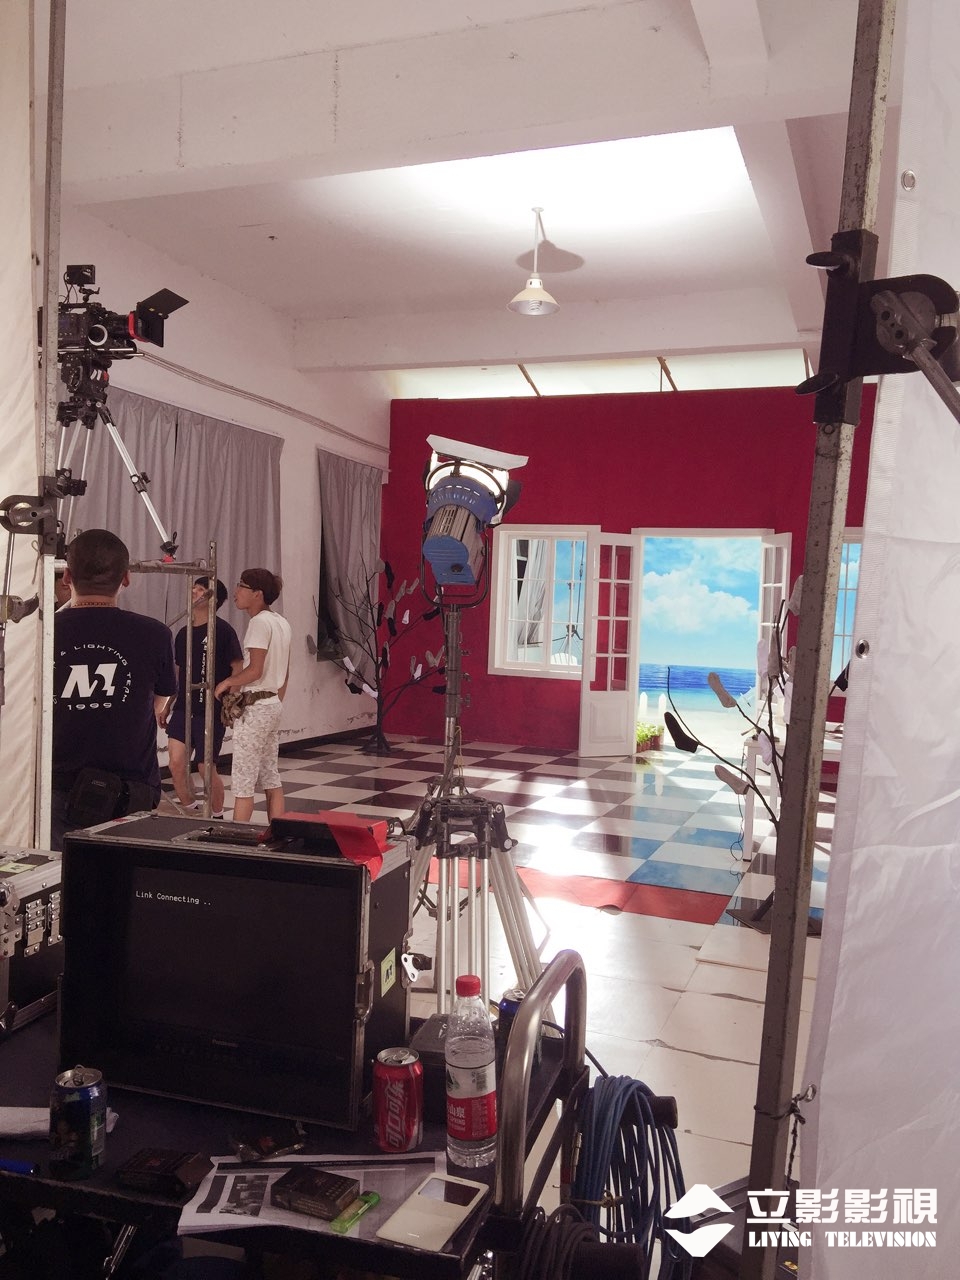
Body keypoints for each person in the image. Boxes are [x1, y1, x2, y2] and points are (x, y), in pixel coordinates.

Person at [51, 529, 177, 850]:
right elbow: (159, 702)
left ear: (67, 577)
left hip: (57, 788)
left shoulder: (44, 633)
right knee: (125, 876)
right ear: (126, 578)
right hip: (131, 791)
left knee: (60, 875)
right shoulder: (155, 634)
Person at [161, 576, 243, 819]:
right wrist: (167, 704)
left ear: (212, 598)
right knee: (176, 763)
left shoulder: (223, 631)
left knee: (205, 766)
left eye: (200, 590)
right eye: (193, 588)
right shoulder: (183, 633)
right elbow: (178, 673)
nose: (194, 593)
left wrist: (230, 702)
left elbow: (237, 667)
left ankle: (217, 816)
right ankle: (192, 813)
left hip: (210, 709)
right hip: (183, 708)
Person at [214, 568, 292, 823]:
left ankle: (238, 837)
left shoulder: (258, 623)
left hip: (257, 707)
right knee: (270, 775)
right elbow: (285, 673)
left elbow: (255, 670)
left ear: (257, 594)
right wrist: (274, 700)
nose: (236, 591)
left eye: (241, 585)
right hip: (272, 703)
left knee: (243, 781)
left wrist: (228, 682)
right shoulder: (281, 622)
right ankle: (279, 832)